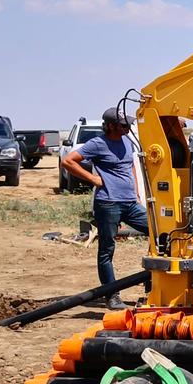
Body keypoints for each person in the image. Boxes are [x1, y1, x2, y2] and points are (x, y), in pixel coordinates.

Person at [61, 108, 148, 311]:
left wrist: (136, 193)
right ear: (110, 126)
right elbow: (68, 161)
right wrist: (93, 179)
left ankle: (153, 286)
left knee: (160, 233)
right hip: (108, 203)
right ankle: (111, 295)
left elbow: (130, 166)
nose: (128, 128)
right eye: (123, 125)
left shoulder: (127, 141)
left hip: (130, 203)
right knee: (107, 250)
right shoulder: (97, 143)